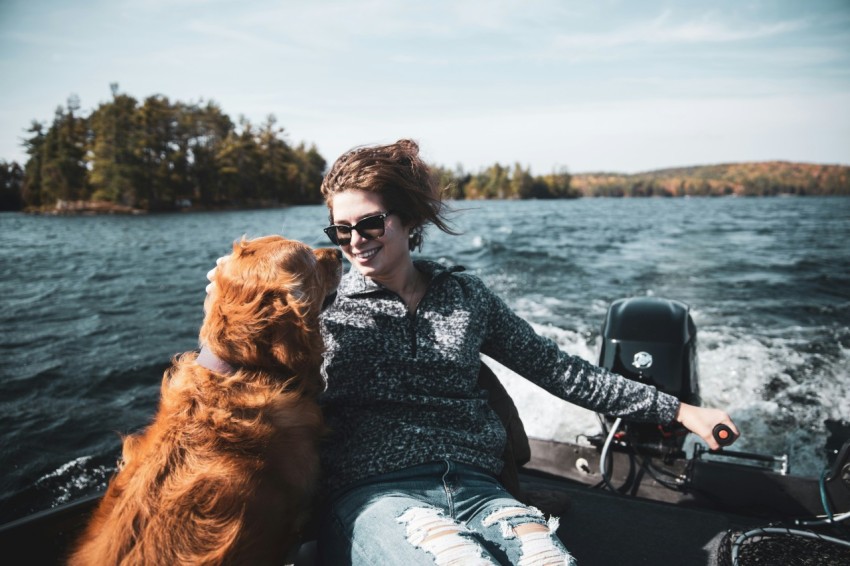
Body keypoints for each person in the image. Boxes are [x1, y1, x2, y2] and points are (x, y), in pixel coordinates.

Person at [310, 139, 738, 566]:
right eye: (340, 231)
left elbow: (558, 369)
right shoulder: (321, 313)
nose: (354, 242)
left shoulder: (465, 296)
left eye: (369, 224)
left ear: (409, 218)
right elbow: (252, 376)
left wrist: (679, 410)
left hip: (479, 489)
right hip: (375, 493)